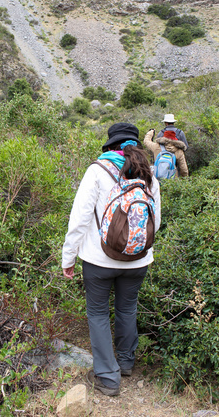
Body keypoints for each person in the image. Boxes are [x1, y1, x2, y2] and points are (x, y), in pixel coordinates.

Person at [62, 123, 161, 396]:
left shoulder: (97, 171)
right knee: (127, 310)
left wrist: (68, 257)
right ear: (137, 145)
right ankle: (126, 363)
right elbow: (157, 221)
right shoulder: (149, 173)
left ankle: (108, 377)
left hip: (98, 261)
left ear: (110, 145)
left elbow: (79, 219)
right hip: (138, 261)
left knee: (97, 314)